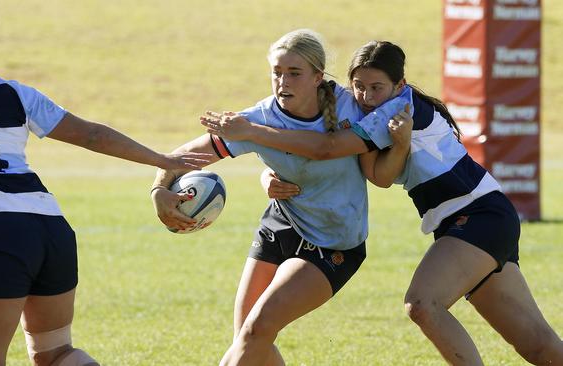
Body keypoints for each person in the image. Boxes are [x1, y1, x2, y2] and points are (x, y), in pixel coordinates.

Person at [202, 40, 563, 365]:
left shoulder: (398, 110)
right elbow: (378, 176)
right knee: (539, 347)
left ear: (399, 86)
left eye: (377, 87)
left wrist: (250, 131)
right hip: (466, 223)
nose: (366, 96)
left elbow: (325, 149)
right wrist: (268, 176)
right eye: (359, 86)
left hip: (480, 214)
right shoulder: (366, 116)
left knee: (423, 304)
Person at [0, 1, 210, 365]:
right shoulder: (17, 93)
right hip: (51, 230)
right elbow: (93, 136)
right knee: (57, 355)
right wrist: (161, 159)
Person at [150, 30, 411, 366]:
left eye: (294, 73)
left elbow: (329, 152)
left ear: (318, 77)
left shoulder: (352, 106)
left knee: (256, 332)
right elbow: (187, 154)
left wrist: (402, 143)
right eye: (276, 72)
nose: (282, 81)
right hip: (280, 225)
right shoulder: (260, 118)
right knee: (249, 337)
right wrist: (159, 188)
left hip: (335, 243)